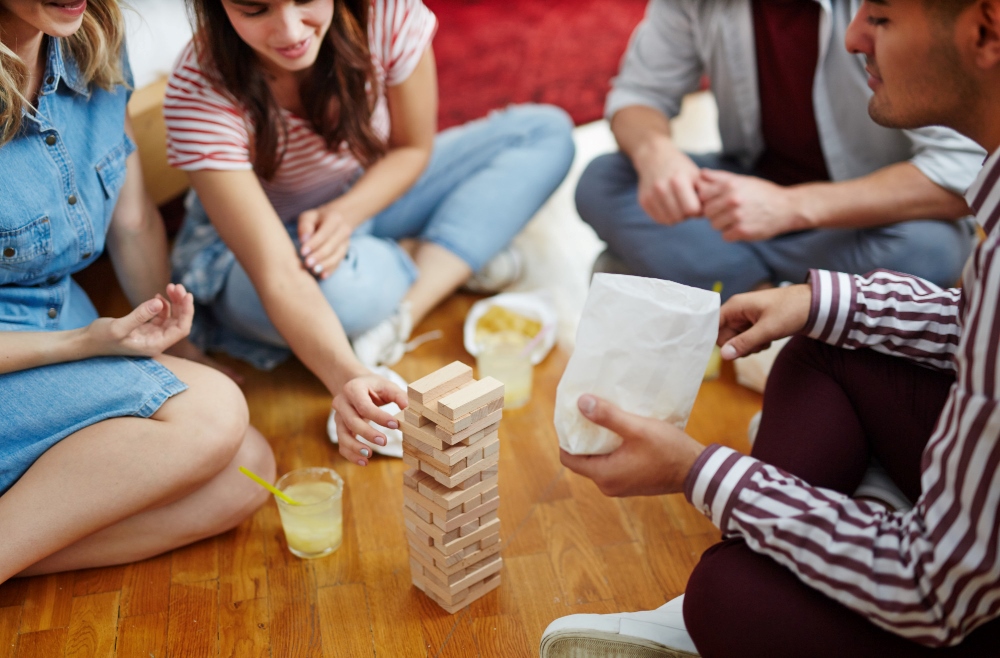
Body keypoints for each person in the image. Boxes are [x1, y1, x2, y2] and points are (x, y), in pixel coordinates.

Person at [543, 0, 1000, 655]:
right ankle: (854, 511)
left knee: (723, 596)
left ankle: (701, 276)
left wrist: (697, 470)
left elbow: (932, 592)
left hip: (951, 597)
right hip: (756, 206)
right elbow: (975, 329)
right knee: (822, 332)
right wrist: (819, 301)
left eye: (884, 17)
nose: (855, 37)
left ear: (984, 30)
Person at [163, 0, 575, 462]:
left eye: (304, 0)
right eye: (256, 10)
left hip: (363, 191)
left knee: (546, 133)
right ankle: (442, 253)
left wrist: (346, 214)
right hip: (257, 251)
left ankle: (400, 312)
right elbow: (278, 274)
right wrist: (347, 375)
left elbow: (412, 149)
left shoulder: (387, 12)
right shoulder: (198, 89)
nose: (290, 30)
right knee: (340, 297)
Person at [0, 0, 275, 583]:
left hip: (60, 345)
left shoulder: (92, 38)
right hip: (23, 360)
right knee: (214, 413)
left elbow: (131, 222)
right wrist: (82, 343)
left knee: (247, 471)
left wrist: (179, 346)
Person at [576, 0, 986, 301]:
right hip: (748, 188)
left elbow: (964, 168)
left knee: (933, 248)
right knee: (603, 180)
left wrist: (791, 206)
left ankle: (711, 276)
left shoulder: (892, 12)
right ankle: (794, 295)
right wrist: (656, 154)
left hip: (862, 214)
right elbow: (638, 93)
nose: (857, 39)